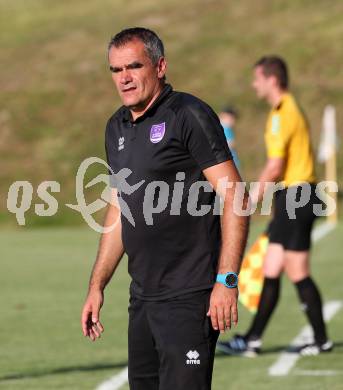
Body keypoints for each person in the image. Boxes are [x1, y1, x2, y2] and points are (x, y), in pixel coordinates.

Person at [81, 27, 250, 389]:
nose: (124, 78)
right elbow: (118, 211)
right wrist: (98, 285)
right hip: (142, 298)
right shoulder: (116, 127)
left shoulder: (188, 115)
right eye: (115, 70)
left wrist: (227, 279)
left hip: (189, 297)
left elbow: (235, 196)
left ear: (160, 66)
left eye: (133, 66)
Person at [217, 56, 332, 357]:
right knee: (273, 267)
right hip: (296, 197)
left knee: (296, 270)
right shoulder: (286, 109)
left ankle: (318, 339)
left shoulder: (282, 114)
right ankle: (253, 339)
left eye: (258, 78)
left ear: (272, 79)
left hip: (297, 196)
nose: (254, 84)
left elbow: (275, 166)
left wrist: (251, 199)